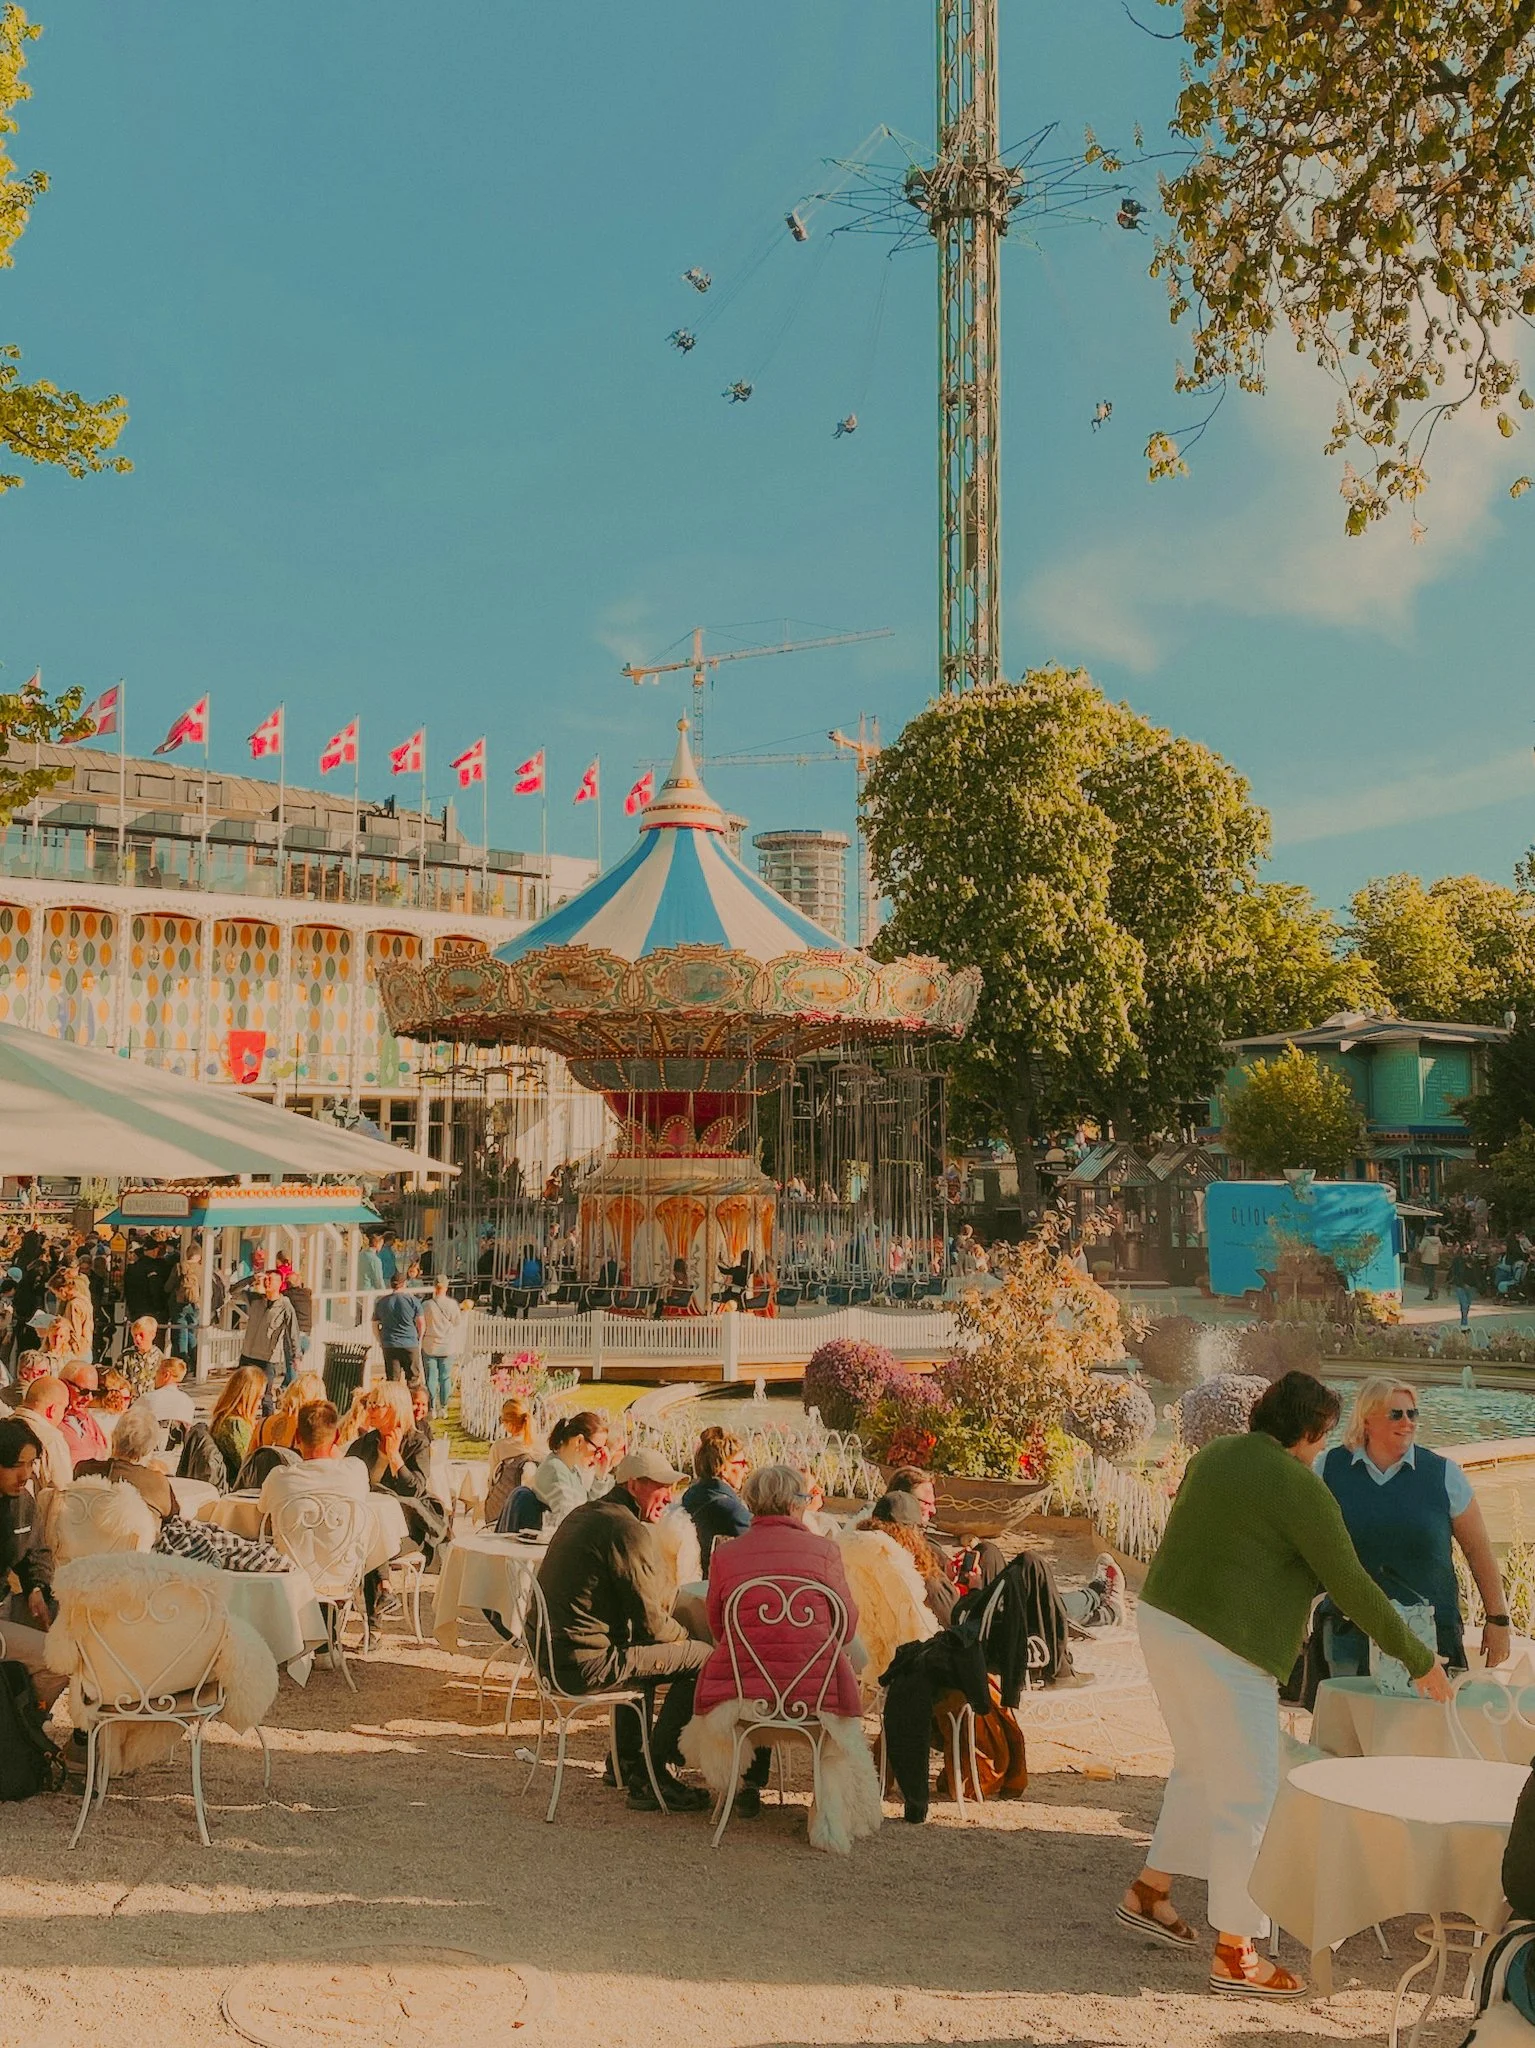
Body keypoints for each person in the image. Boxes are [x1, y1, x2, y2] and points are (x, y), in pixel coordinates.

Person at [1121, 1371, 1450, 2000]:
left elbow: (1230, 1540)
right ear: (1306, 1432)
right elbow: (1354, 1587)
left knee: (1198, 1768)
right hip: (1227, 1648)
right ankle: (1236, 1953)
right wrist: (1419, 1659)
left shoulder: (1216, 1455)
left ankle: (1150, 1890)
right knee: (1250, 1794)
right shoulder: (1300, 1487)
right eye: (1319, 1438)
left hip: (1162, 1621)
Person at [532, 1446, 712, 1812]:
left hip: (551, 1654)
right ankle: (652, 1772)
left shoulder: (590, 1514)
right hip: (581, 1664)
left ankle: (625, 1762)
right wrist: (688, 1640)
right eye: (662, 1485)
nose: (670, 1495)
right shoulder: (625, 1529)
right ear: (634, 1484)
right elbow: (652, 1624)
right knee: (704, 1659)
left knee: (641, 1654)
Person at [1320, 1378, 1510, 1674]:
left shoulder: (1444, 1474)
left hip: (1431, 1637)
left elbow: (1478, 1550)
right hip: (1350, 1636)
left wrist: (1498, 1619)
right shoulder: (1329, 1469)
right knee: (1350, 1720)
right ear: (1367, 1419)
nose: (1407, 1422)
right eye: (1396, 1414)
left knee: (1428, 1721)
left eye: (1412, 1414)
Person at [0, 1417, 66, 1708]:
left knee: (74, 1632)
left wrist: (37, 1588)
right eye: (16, 1465)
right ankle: (23, 1735)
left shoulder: (22, 1502)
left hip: (8, 1603)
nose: (25, 1474)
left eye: (31, 1463)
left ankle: (22, 1729)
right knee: (55, 1662)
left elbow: (36, 1552)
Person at [259, 1399, 371, 1524]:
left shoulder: (278, 1477)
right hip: (345, 1543)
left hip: (294, 1543)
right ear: (337, 1436)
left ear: (297, 1437)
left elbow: (262, 1509)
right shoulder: (356, 1470)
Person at [680, 1427, 751, 1572]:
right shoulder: (731, 1511)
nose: (746, 1469)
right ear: (723, 1468)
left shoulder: (691, 1495)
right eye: (742, 1463)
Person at [531, 1410, 612, 1528]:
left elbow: (589, 1509)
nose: (598, 1456)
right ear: (578, 1441)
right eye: (597, 1450)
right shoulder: (555, 1471)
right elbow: (570, 1521)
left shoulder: (570, 1469)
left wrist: (600, 1477)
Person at [236, 1270, 300, 1413]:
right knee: (239, 1392)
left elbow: (293, 1331)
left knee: (266, 1397)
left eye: (270, 1280)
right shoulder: (255, 1299)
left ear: (280, 1284)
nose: (267, 1282)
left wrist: (296, 1355)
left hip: (267, 1359)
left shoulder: (285, 1305)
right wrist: (251, 1279)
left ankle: (266, 1426)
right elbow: (232, 1291)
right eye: (266, 1279)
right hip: (248, 1354)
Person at [208, 1365, 267, 1485]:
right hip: (236, 1487)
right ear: (249, 1397)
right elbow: (247, 1465)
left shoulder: (223, 1417)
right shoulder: (235, 1425)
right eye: (259, 1397)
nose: (260, 1404)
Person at [418, 1276, 464, 1419]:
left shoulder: (426, 1305)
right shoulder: (452, 1304)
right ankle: (443, 1407)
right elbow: (457, 1322)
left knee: (431, 1378)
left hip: (430, 1344)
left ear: (434, 1287)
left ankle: (432, 1407)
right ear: (446, 1287)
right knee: (445, 1378)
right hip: (447, 1345)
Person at [19, 1375, 75, 1488]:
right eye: (65, 1408)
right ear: (52, 1410)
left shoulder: (5, 1426)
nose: (64, 1414)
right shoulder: (51, 1439)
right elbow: (62, 1490)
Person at [372, 1272, 425, 1388]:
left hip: (390, 1344)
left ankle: (395, 1403)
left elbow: (374, 1324)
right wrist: (419, 1338)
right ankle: (411, 1402)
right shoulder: (413, 1301)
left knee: (392, 1381)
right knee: (413, 1379)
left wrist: (380, 1340)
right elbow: (421, 1323)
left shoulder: (381, 1302)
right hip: (410, 1343)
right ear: (404, 1284)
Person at [57, 1363, 110, 1463]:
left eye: (94, 1393)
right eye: (84, 1392)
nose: (89, 1398)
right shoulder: (52, 1421)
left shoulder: (88, 1420)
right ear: (64, 1384)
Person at [143, 1354, 196, 1442]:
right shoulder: (188, 1402)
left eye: (157, 1372)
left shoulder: (148, 1399)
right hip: (179, 1451)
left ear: (166, 1375)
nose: (154, 1377)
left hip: (150, 1448)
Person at [119, 1314, 165, 1399]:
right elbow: (119, 1378)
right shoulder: (126, 1356)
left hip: (152, 1402)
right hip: (131, 1403)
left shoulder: (160, 1358)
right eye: (135, 1335)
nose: (137, 1339)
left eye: (141, 1335)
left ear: (152, 1335)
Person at [1448, 1244, 1476, 1330]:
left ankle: (1464, 1321)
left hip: (1470, 1286)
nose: (1468, 1251)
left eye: (1469, 1249)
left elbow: (1476, 1274)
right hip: (1460, 1285)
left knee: (1467, 1305)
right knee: (1464, 1304)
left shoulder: (1472, 1260)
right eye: (1466, 1249)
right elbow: (1455, 1273)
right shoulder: (1457, 1260)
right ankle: (1464, 1324)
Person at [1417, 1225, 1443, 1300]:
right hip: (1435, 1261)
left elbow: (1420, 1250)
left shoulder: (1425, 1240)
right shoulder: (1438, 1240)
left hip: (1426, 1260)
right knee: (1433, 1277)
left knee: (1427, 1277)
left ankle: (1432, 1291)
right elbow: (1441, 1251)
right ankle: (1433, 1290)